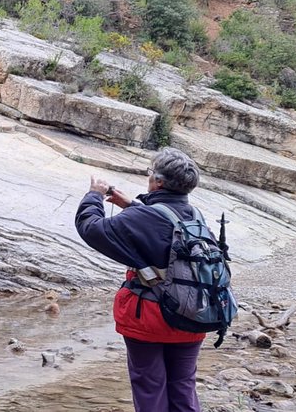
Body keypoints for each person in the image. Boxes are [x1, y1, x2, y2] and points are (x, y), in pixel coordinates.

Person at [74, 147, 208, 412]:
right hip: (194, 316)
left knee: (149, 386)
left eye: (150, 173)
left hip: (149, 318)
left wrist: (94, 196)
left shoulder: (141, 217)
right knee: (183, 386)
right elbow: (163, 227)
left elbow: (91, 229)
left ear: (158, 181)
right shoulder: (197, 217)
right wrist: (133, 205)